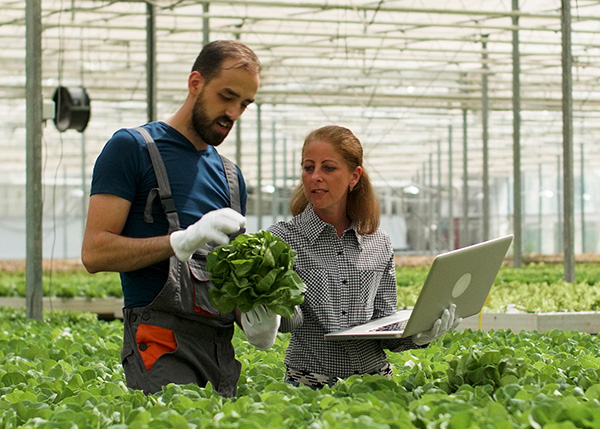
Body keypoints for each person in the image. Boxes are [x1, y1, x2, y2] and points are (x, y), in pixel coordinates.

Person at [81, 40, 279, 397]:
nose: (233, 112)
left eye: (244, 104)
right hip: (160, 343)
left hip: (219, 350)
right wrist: (178, 241)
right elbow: (95, 252)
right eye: (227, 96)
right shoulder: (132, 149)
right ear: (195, 83)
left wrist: (253, 314)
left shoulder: (231, 177)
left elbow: (223, 278)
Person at [268, 125, 461, 389]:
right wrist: (269, 309)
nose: (315, 177)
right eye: (308, 167)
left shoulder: (378, 242)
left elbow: (384, 323)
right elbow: (288, 322)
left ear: (354, 176)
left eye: (328, 168)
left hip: (376, 383)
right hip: (310, 384)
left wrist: (420, 334)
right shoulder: (282, 240)